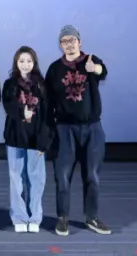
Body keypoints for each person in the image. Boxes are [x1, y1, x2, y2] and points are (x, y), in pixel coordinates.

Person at [45, 25, 111, 236]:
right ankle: (63, 217)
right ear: (60, 45)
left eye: (72, 40)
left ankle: (91, 217)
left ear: (79, 42)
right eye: (65, 41)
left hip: (92, 128)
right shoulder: (54, 69)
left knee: (92, 175)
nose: (69, 44)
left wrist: (95, 69)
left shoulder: (90, 60)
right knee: (63, 176)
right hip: (64, 129)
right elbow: (47, 101)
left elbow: (103, 71)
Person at [2, 46, 52, 233]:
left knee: (36, 179)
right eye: (21, 61)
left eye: (29, 61)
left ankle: (35, 217)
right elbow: (8, 106)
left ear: (34, 63)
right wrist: (22, 112)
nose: (25, 64)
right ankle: (19, 216)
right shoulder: (10, 84)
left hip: (35, 139)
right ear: (16, 63)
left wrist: (44, 141)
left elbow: (48, 115)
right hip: (15, 138)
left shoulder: (42, 85)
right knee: (16, 179)